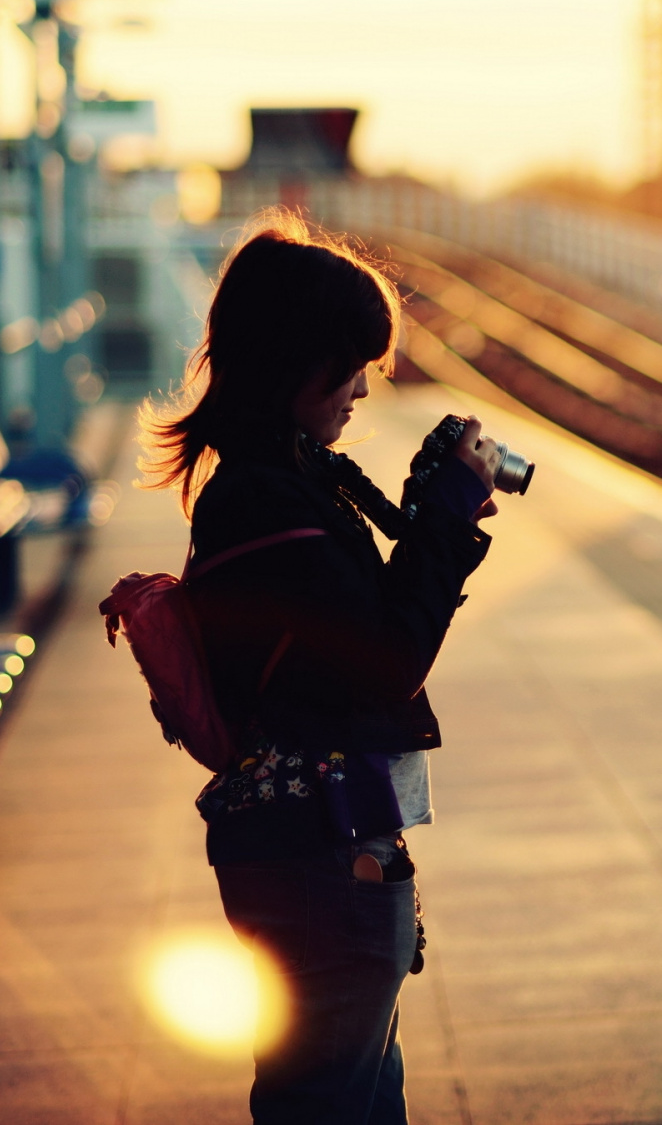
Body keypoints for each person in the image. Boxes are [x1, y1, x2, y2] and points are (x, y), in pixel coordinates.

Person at [136, 209, 498, 1125]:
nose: (362, 393)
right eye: (351, 366)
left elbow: (355, 636)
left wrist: (425, 517)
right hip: (321, 864)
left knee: (358, 1102)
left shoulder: (277, 481)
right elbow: (384, 661)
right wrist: (447, 523)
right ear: (294, 362)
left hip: (327, 855)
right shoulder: (265, 500)